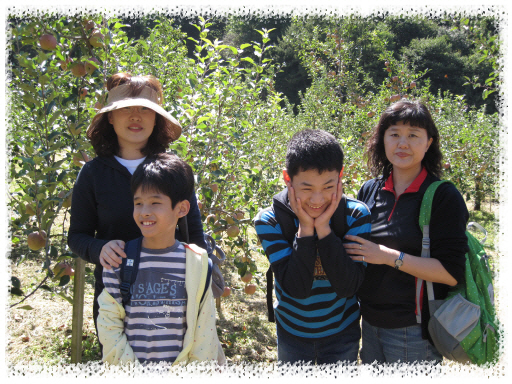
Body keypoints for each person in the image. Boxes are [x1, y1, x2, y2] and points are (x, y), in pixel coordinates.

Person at [68, 73, 207, 350]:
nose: (136, 116)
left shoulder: (173, 170)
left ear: (157, 118)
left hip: (173, 295)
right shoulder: (93, 174)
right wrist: (100, 249)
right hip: (118, 296)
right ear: (110, 117)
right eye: (125, 109)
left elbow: (194, 234)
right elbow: (77, 236)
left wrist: (201, 282)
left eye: (145, 109)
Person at [343, 100, 468, 364]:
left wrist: (389, 256)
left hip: (413, 331)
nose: (403, 144)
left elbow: (450, 273)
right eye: (395, 134)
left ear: (429, 142)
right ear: (382, 140)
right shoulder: (370, 191)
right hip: (369, 323)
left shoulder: (442, 197)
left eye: (413, 135)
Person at [254, 129, 371, 365]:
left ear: (340, 176)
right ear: (288, 179)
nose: (317, 200)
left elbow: (349, 286)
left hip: (342, 332)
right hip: (292, 333)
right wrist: (306, 230)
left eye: (328, 187)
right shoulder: (269, 221)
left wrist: (325, 229)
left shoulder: (356, 215)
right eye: (306, 189)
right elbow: (296, 288)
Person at [97, 153, 225, 365]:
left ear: (182, 208)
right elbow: (109, 325)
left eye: (155, 203)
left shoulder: (196, 263)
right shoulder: (119, 260)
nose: (144, 212)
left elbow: (204, 332)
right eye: (138, 203)